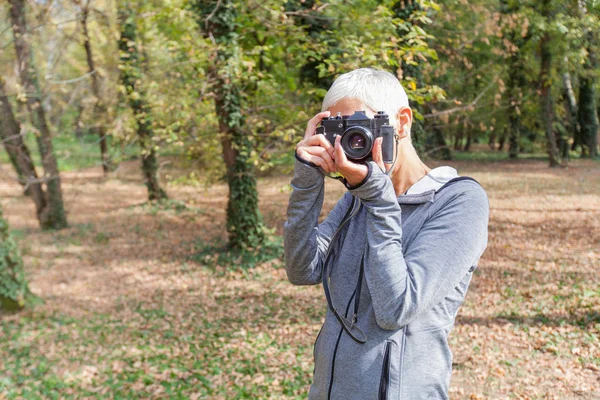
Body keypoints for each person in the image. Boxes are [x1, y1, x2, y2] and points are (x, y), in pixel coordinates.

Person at [283, 68, 489, 399]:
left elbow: (396, 309)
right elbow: (302, 268)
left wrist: (377, 196)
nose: (351, 144)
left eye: (360, 128)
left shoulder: (459, 200)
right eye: (340, 132)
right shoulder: (357, 197)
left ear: (402, 122)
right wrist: (307, 180)